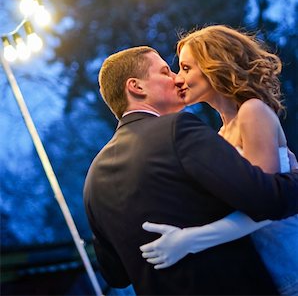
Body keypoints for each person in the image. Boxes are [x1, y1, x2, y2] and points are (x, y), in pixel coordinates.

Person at [83, 45, 298, 296]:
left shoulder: (93, 180)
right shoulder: (176, 129)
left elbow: (115, 275)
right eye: (166, 72)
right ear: (136, 87)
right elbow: (265, 198)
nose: (177, 79)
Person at [140, 25, 298, 295]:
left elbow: (265, 207)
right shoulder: (221, 134)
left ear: (216, 65)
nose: (178, 79)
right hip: (268, 272)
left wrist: (189, 240)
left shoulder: (253, 111)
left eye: (186, 68)